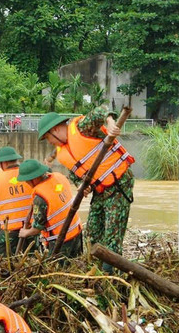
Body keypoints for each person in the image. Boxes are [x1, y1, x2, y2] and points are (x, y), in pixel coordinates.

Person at [37, 108, 134, 261]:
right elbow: (75, 173)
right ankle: (94, 266)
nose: (50, 142)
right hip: (100, 190)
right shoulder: (63, 151)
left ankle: (111, 274)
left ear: (55, 129)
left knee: (112, 236)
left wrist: (110, 123)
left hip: (119, 183)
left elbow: (100, 111)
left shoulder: (81, 128)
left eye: (48, 138)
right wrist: (81, 184)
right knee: (91, 234)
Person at [17, 159, 83, 258]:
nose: (27, 183)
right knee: (77, 263)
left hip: (60, 241)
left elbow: (37, 228)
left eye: (27, 180)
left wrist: (25, 232)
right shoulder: (59, 177)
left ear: (33, 179)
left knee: (59, 270)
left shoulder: (40, 197)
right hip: (76, 232)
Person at [0, 146, 34, 258]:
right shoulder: (30, 175)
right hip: (31, 230)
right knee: (31, 261)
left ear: (3, 163)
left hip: (9, 232)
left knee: (3, 264)